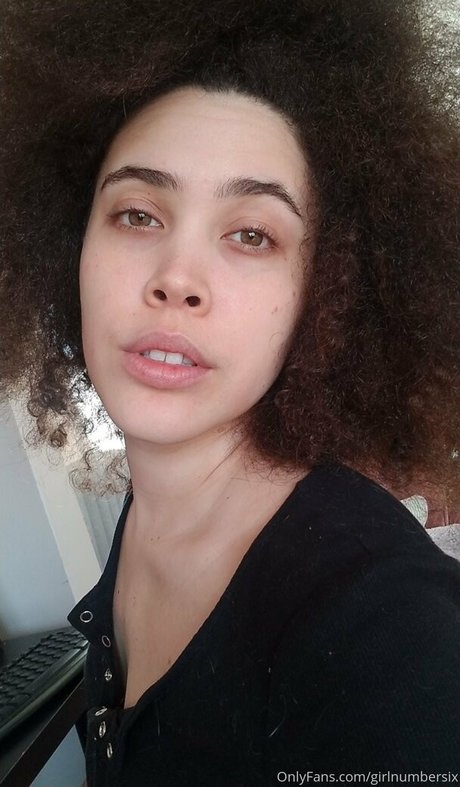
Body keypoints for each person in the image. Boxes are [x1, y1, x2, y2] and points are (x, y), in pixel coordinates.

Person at [1, 0, 460, 784]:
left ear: (323, 293)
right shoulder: (153, 512)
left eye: (252, 234)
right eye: (137, 214)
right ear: (68, 248)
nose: (178, 277)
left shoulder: (383, 627)